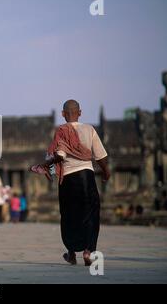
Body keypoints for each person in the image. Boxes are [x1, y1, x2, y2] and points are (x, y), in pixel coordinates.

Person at [33, 100, 110, 266]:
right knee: (91, 214)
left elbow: (60, 155)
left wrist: (45, 164)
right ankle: (89, 251)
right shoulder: (89, 129)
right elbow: (101, 156)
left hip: (68, 179)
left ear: (63, 114)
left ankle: (72, 253)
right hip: (88, 177)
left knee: (69, 215)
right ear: (80, 113)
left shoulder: (61, 131)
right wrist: (106, 171)